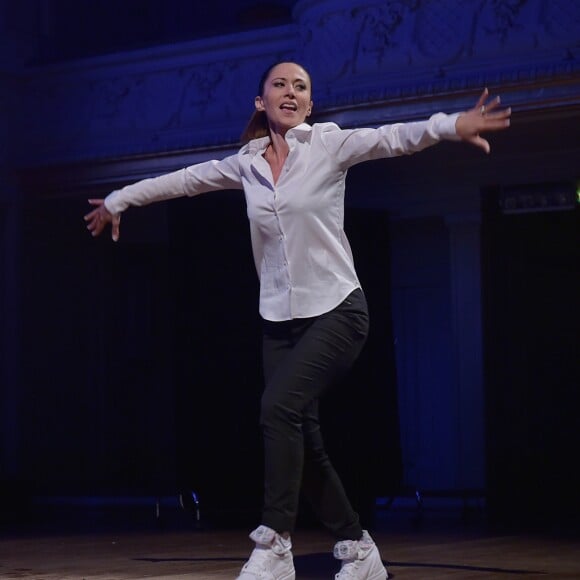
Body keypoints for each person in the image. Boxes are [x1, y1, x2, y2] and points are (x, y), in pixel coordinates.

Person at [85, 61, 511, 580]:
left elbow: (393, 137)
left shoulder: (328, 145)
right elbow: (182, 181)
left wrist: (450, 125)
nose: (291, 92)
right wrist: (116, 200)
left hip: (338, 310)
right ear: (260, 102)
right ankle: (358, 549)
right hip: (279, 321)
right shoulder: (246, 164)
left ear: (310, 104)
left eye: (301, 87)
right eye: (280, 85)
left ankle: (275, 543)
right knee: (300, 441)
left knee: (275, 410)